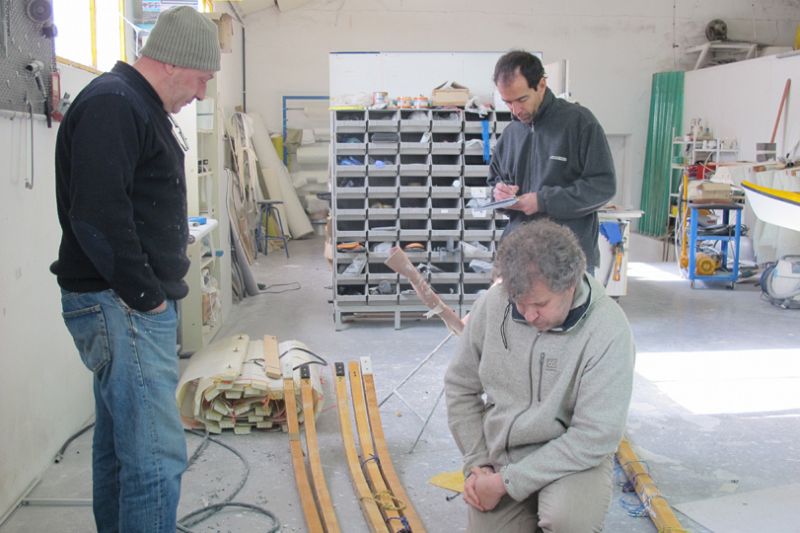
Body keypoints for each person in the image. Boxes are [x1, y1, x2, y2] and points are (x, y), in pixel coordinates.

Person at [50, 6, 220, 532]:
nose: (202, 94)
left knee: (123, 449)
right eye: (201, 79)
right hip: (122, 306)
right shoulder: (115, 105)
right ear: (172, 64)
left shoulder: (132, 104)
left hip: (119, 304)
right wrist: (147, 297)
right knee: (155, 458)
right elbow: (98, 218)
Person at [445, 220, 635, 533]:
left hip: (572, 460)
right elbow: (460, 386)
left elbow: (596, 434)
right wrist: (477, 463)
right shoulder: (494, 304)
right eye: (519, 303)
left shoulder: (609, 330)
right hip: (502, 453)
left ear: (570, 285)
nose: (528, 315)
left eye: (540, 304)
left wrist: (507, 483)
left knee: (567, 521)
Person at [489, 50, 616, 271]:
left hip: (567, 261)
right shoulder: (511, 133)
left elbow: (602, 186)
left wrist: (543, 201)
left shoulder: (579, 123)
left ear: (541, 84)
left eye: (522, 99)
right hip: (521, 259)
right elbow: (495, 180)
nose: (516, 110)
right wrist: (500, 194)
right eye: (508, 102)